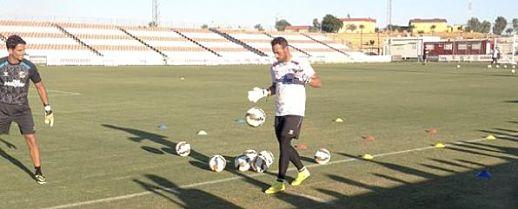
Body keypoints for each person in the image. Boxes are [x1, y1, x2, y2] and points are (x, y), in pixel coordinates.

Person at [247, 37, 322, 194]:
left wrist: (306, 78)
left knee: (284, 143)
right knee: (284, 145)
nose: (276, 55)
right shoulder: (274, 67)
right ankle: (302, 171)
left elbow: (318, 82)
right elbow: (276, 86)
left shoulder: (300, 62)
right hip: (279, 111)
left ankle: (279, 181)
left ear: (286, 49)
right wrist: (263, 93)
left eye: (278, 52)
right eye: (274, 52)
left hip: (295, 110)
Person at [0, 35, 54, 184]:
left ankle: (38, 171)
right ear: (10, 50)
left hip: (23, 111)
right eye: (20, 50)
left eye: (24, 49)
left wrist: (47, 108)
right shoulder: (0, 65)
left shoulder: (29, 66)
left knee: (32, 140)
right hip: (2, 110)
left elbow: (39, 86)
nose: (23, 52)